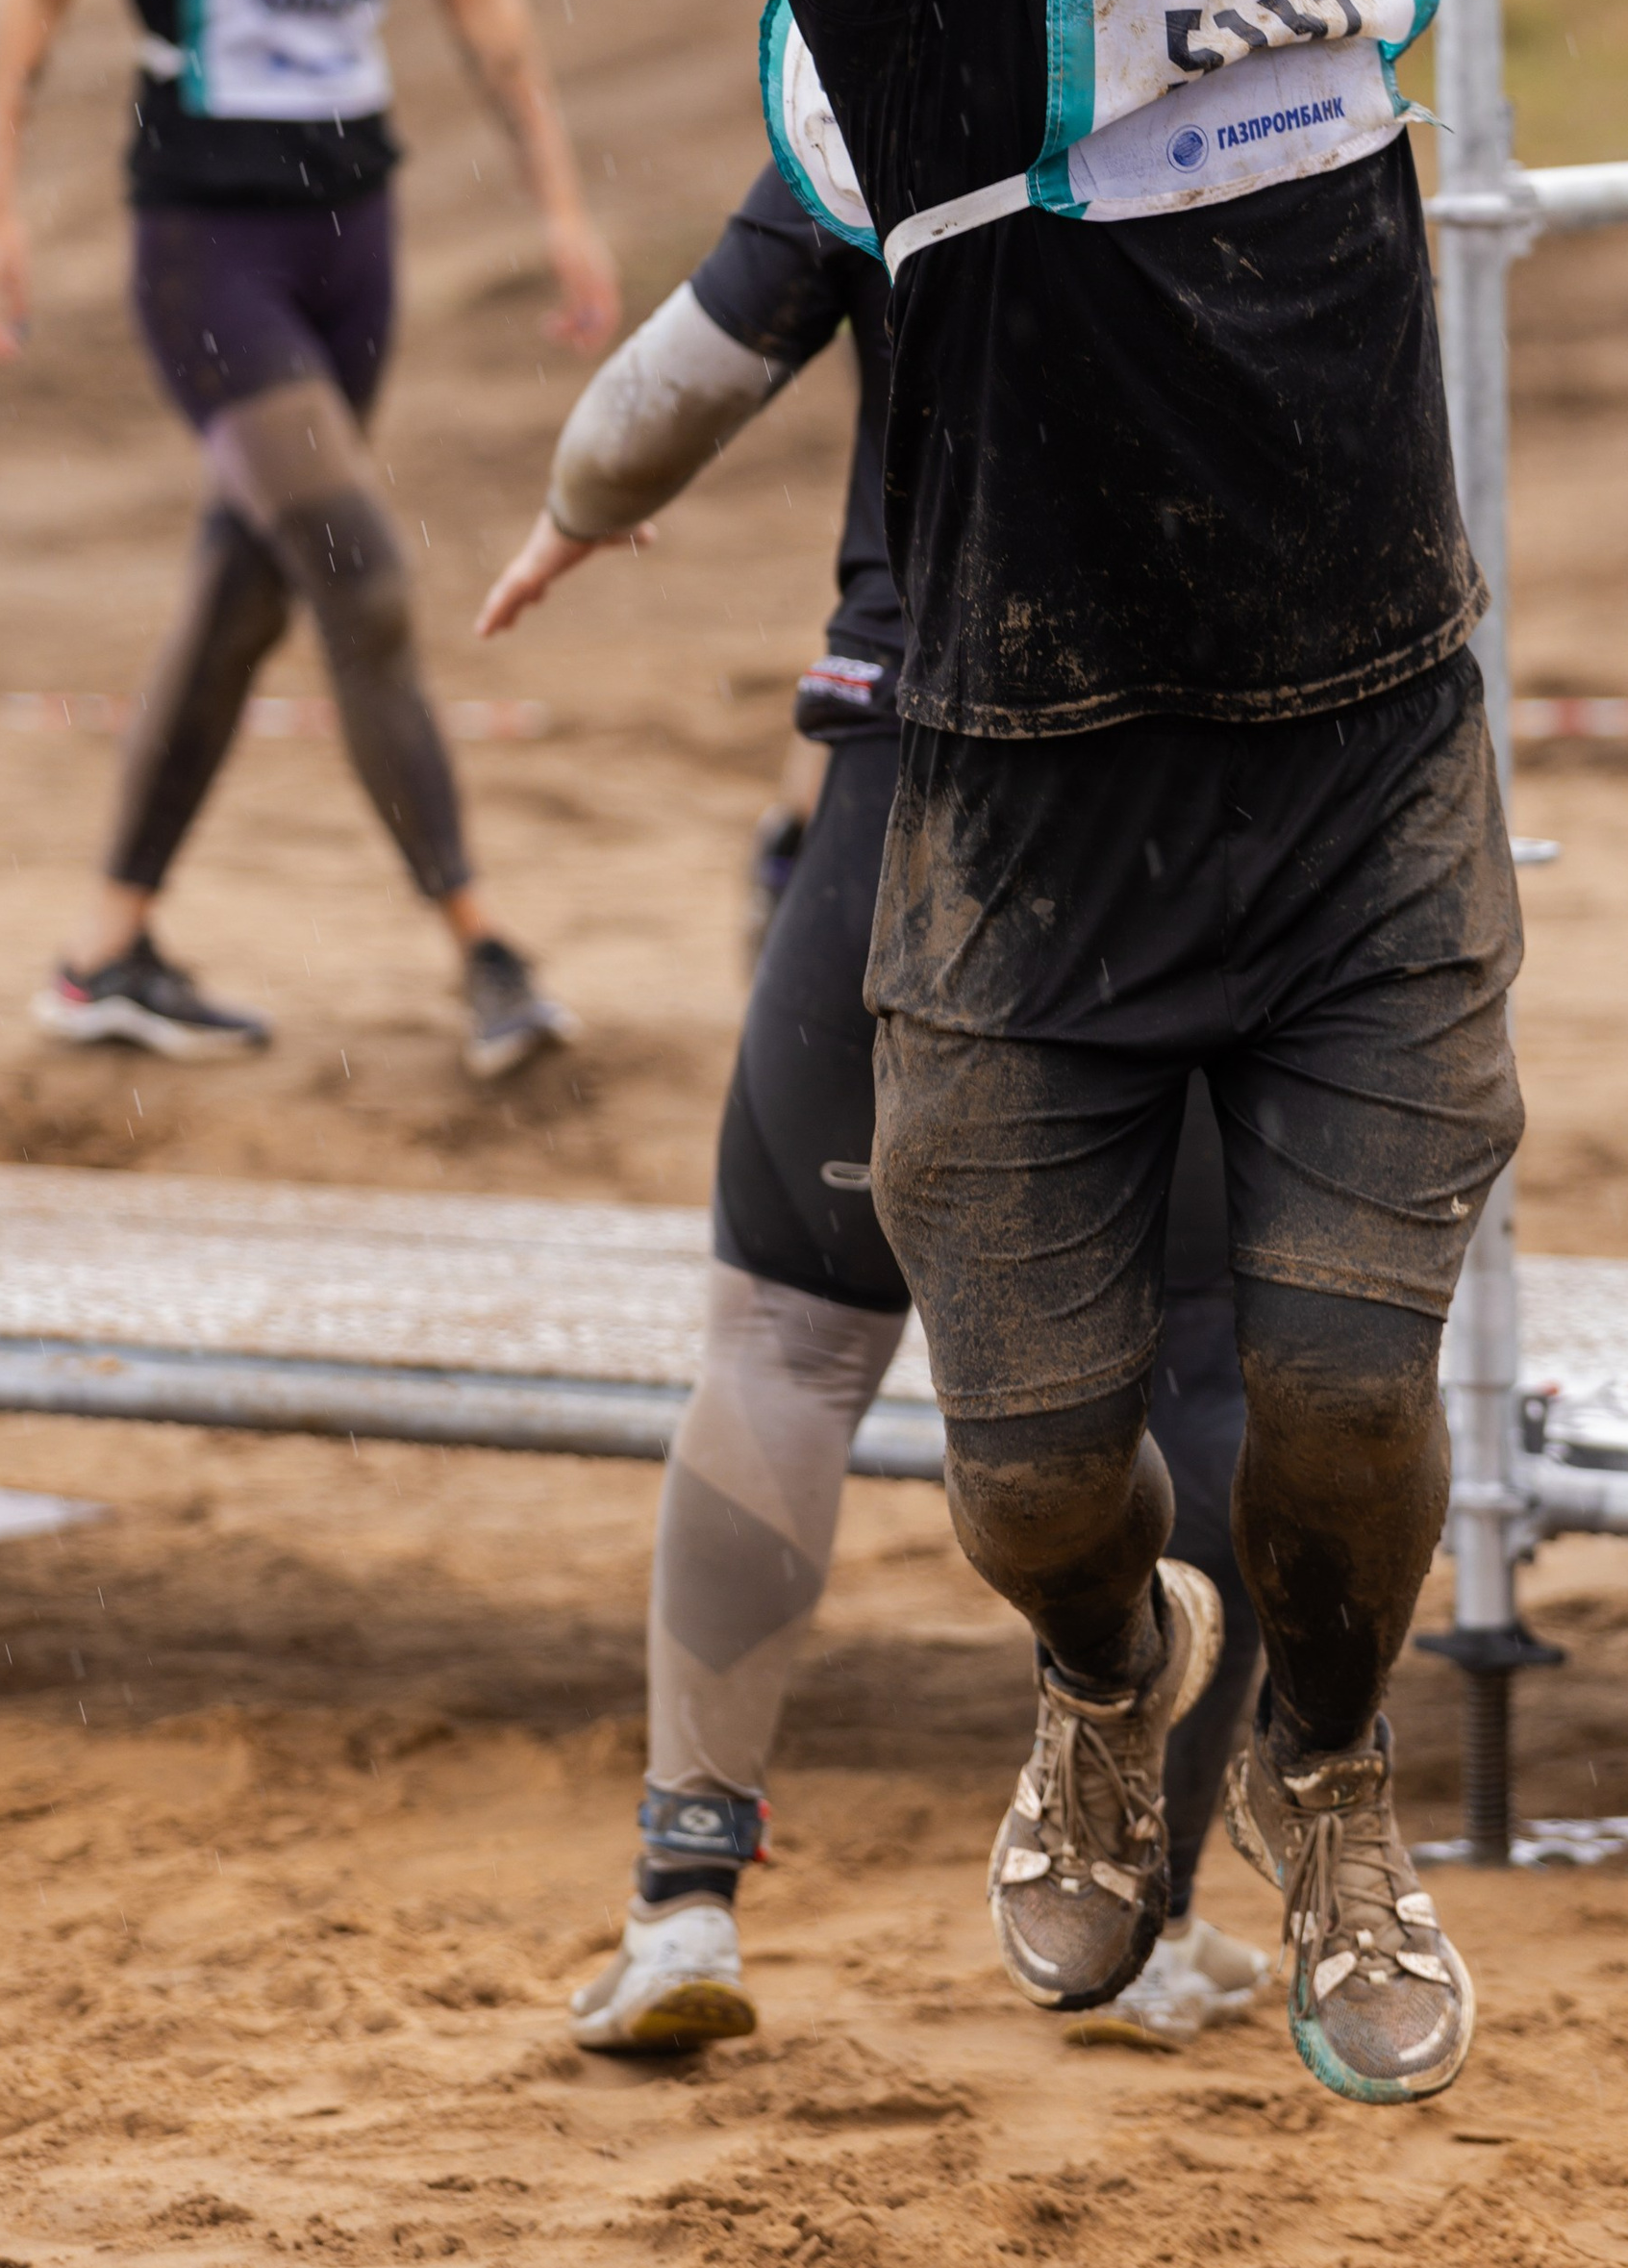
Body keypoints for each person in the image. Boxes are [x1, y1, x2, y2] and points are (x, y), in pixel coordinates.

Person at [686, 0, 1593, 2104]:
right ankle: (1113, 1696)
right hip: (1026, 808)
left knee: (1349, 1398)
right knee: (1042, 1481)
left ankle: (1338, 1791)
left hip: (1363, 784)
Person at [475, 164, 1267, 2054]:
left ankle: (683, 1904)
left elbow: (668, 386)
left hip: (905, 776)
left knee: (785, 1339)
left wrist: (582, 507)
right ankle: (1132, 1922)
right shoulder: (1256, 20)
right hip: (1170, 802)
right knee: (1204, 1358)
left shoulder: (863, 49)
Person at [0, 0, 619, 1083]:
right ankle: (485, 948)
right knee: (364, 573)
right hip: (203, 247)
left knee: (245, 590)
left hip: (358, 240)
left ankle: (107, 951)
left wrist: (561, 203)